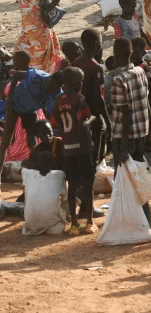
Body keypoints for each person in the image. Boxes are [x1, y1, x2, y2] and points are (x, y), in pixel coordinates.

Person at [110, 37, 151, 229]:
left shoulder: (118, 79)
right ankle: (147, 221)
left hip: (125, 137)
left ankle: (129, 223)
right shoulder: (140, 72)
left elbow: (125, 114)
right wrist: (149, 134)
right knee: (139, 179)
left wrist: (121, 148)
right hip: (140, 133)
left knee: (123, 183)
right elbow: (146, 104)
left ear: (116, 54)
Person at [50, 67, 98, 235]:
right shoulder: (80, 99)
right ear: (78, 83)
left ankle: (74, 224)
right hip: (83, 145)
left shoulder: (58, 100)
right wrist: (95, 118)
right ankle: (90, 222)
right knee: (88, 181)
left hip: (67, 147)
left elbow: (55, 123)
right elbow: (84, 119)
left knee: (72, 182)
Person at [10, 0, 63, 73]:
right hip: (27, 30)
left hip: (39, 30)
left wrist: (48, 8)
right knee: (21, 53)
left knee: (37, 58)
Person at [73, 29, 111, 171]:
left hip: (79, 114)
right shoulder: (95, 67)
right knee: (94, 154)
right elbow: (99, 98)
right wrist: (107, 121)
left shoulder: (76, 63)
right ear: (96, 44)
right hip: (93, 115)